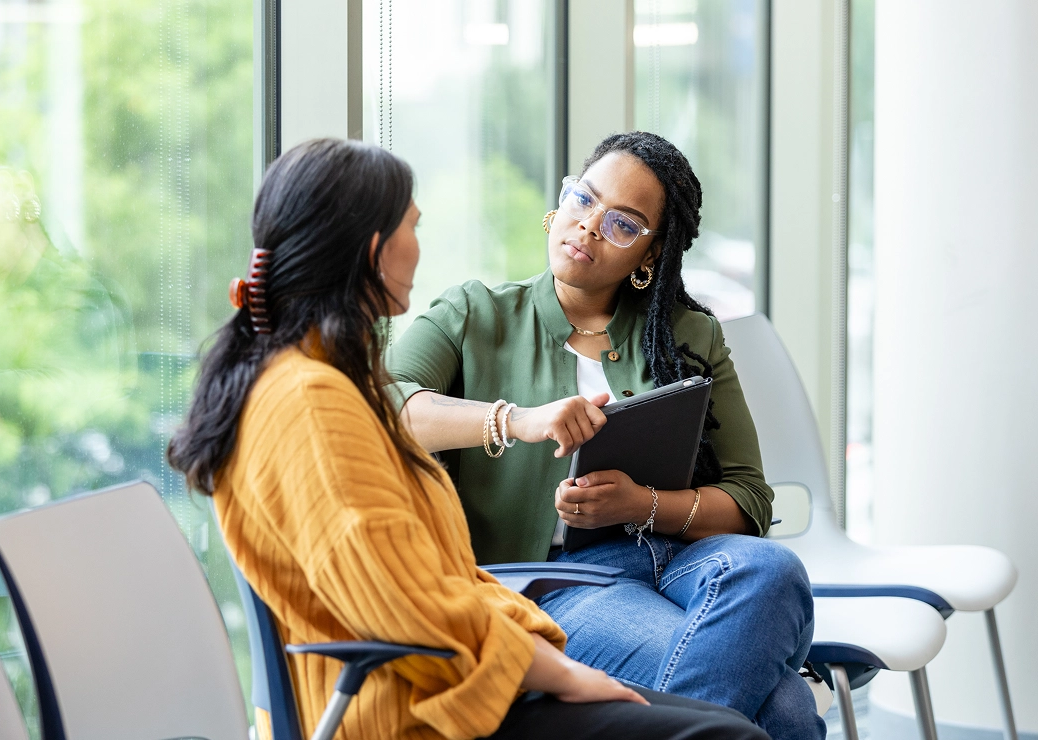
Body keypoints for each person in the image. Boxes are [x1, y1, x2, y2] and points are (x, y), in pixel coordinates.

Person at [167, 138, 767, 740]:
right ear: (376, 250)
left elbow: (422, 583)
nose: (587, 225)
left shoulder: (317, 387)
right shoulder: (314, 401)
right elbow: (403, 603)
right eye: (413, 227)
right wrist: (555, 670)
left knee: (765, 625)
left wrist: (539, 647)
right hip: (423, 702)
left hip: (464, 666)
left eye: (621, 222)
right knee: (740, 726)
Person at [387, 132, 825, 739]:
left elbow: (750, 499)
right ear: (559, 202)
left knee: (773, 572)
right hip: (554, 581)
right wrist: (520, 419)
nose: (590, 226)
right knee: (783, 706)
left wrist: (640, 505)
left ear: (651, 254)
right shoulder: (474, 313)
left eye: (623, 224)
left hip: (681, 560)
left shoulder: (689, 335)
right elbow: (385, 406)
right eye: (583, 200)